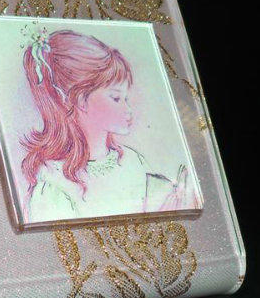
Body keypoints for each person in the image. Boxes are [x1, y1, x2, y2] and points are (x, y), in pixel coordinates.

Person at [20, 28, 199, 223]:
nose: (128, 109)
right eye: (116, 98)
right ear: (81, 100)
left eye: (126, 98)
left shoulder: (133, 161)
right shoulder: (55, 185)